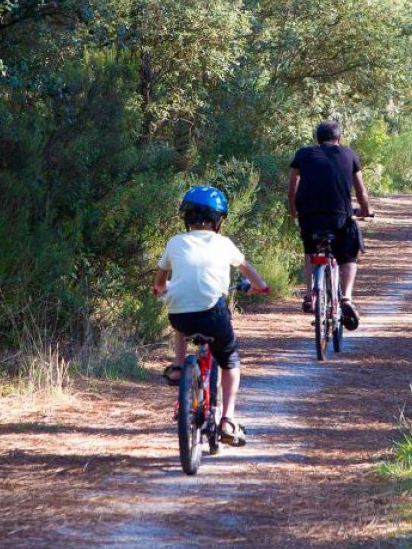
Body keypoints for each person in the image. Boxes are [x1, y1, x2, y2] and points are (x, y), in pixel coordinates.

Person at [153, 185, 269, 447]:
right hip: (212, 312)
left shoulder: (175, 242)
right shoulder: (223, 243)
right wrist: (261, 286)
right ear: (218, 220)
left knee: (180, 320)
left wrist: (160, 289)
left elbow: (160, 279)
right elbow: (246, 268)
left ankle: (179, 366)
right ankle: (228, 419)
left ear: (187, 217)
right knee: (230, 361)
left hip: (180, 313)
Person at [288, 120, 371, 330]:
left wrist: (294, 212)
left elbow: (292, 188)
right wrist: (365, 210)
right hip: (339, 216)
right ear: (339, 138)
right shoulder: (349, 154)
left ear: (316, 139)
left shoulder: (303, 154)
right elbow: (361, 191)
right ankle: (346, 298)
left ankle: (309, 295)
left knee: (310, 249)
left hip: (309, 216)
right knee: (349, 254)